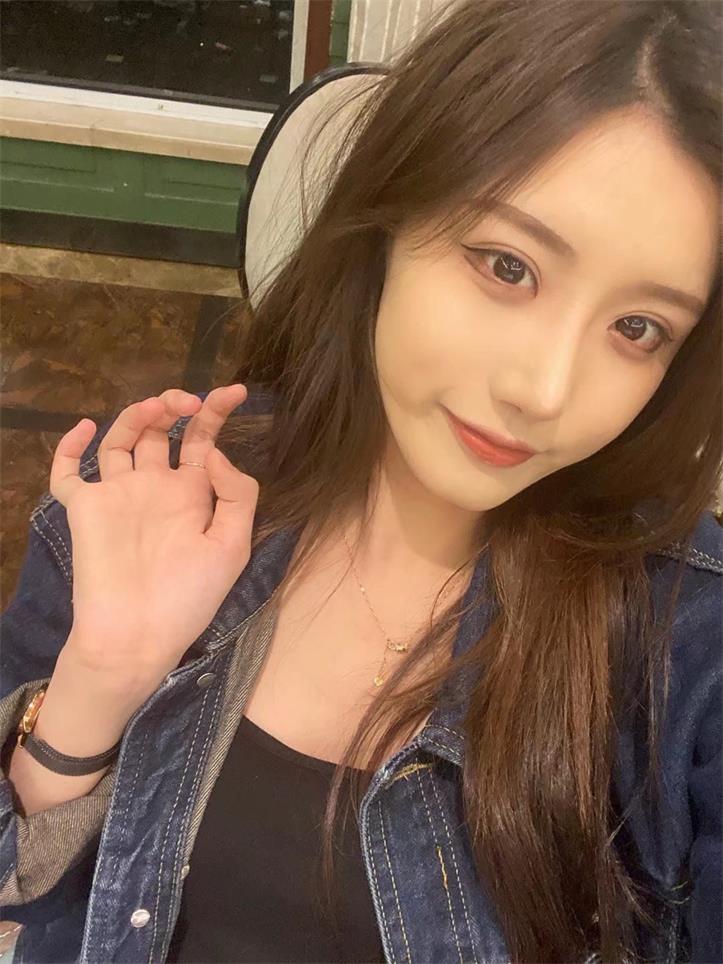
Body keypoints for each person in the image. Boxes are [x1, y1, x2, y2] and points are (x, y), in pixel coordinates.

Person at [1, 0, 721, 961]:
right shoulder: (157, 494)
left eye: (636, 329)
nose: (543, 392)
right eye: (507, 266)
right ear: (386, 220)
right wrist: (98, 686)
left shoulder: (687, 649)